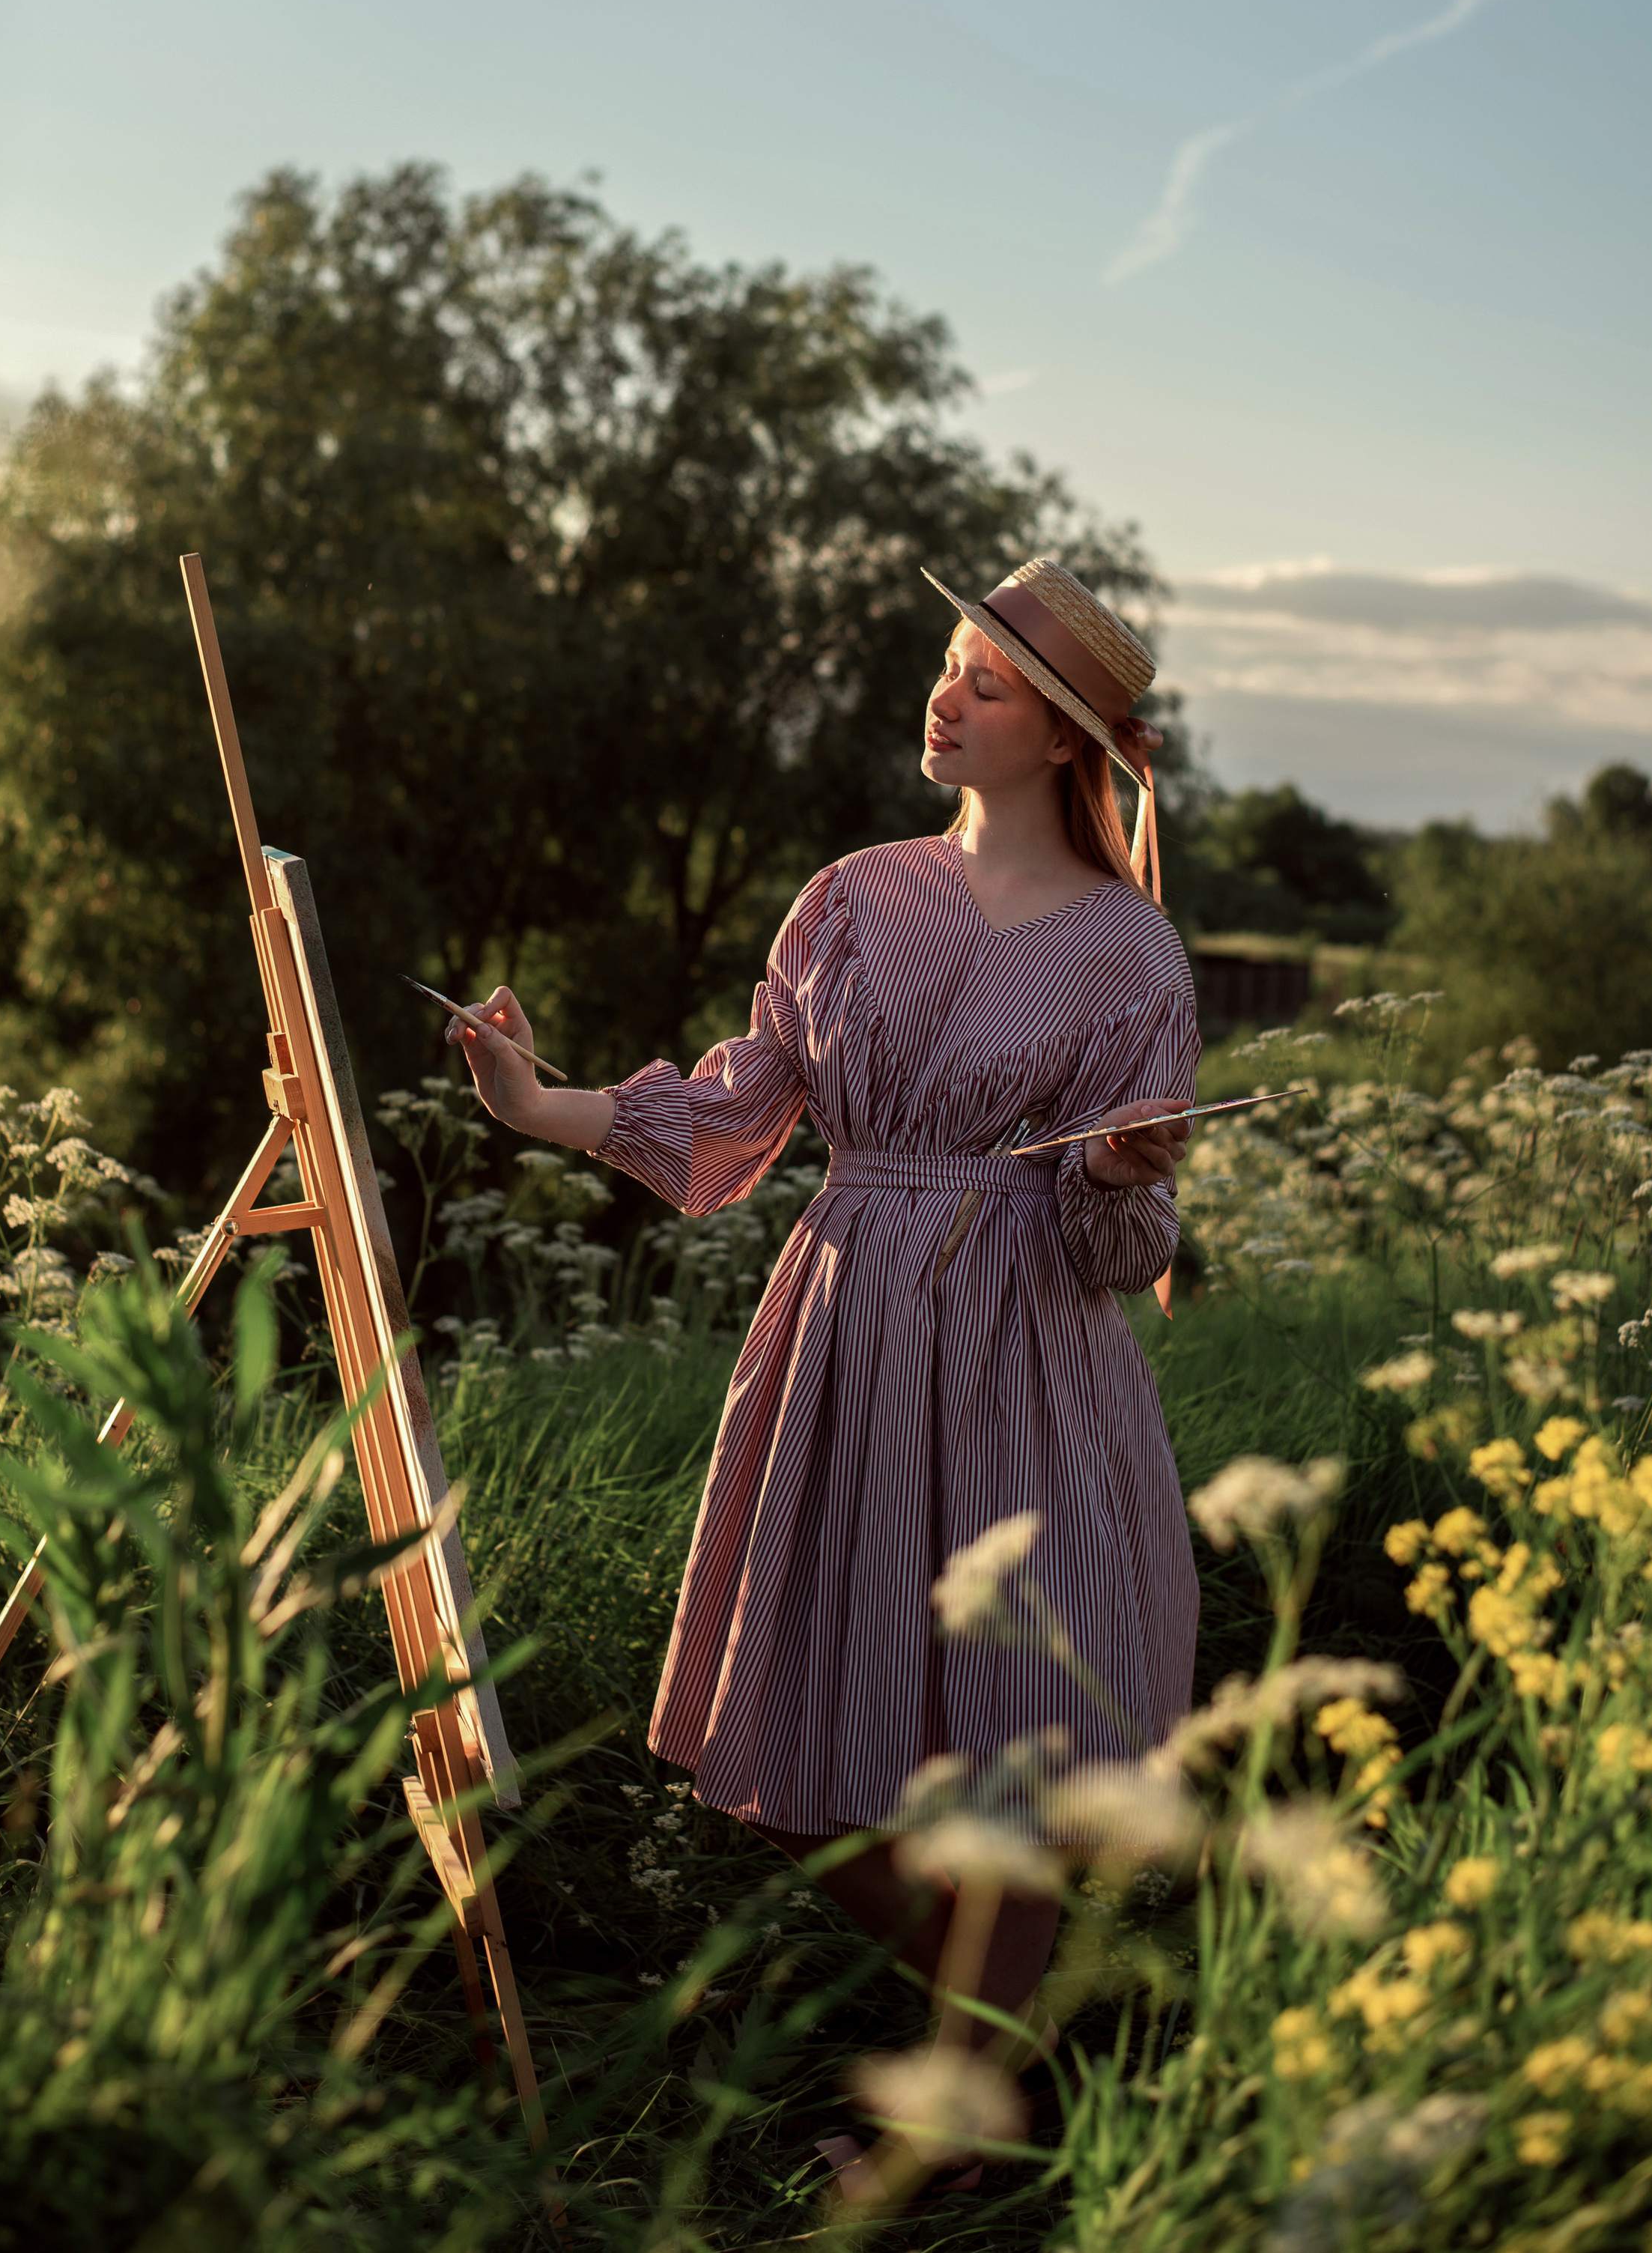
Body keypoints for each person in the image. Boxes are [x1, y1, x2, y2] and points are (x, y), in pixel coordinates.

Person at [449, 557, 1198, 2183]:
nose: (943, 699)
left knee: (1011, 1754)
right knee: (792, 1762)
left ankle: (960, 2121)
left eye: (984, 683)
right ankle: (1010, 2054)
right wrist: (535, 1102)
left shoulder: (1132, 954)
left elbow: (1120, 1250)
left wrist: (1117, 1175)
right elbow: (736, 1113)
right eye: (947, 666)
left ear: (1061, 737)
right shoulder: (852, 896)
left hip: (1026, 1358)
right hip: (849, 1331)